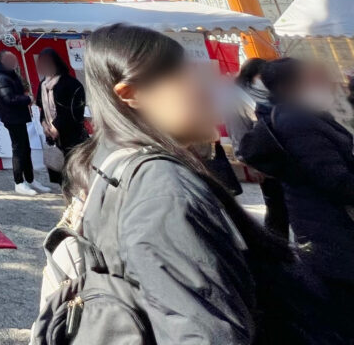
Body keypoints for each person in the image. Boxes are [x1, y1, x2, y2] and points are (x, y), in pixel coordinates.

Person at [48, 24, 336, 345]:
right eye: (186, 76)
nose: (207, 89)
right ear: (132, 94)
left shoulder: (107, 165)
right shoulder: (162, 189)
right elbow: (203, 332)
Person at [250, 57, 354, 329]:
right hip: (328, 230)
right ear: (288, 87)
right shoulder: (295, 121)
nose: (326, 83)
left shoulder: (309, 114)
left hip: (330, 226)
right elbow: (335, 180)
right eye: (314, 79)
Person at [225, 58, 288, 237]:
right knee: (277, 209)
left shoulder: (273, 95)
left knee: (289, 207)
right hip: (266, 162)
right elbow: (238, 133)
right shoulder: (237, 99)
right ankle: (277, 245)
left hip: (285, 159)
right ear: (251, 76)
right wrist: (251, 164)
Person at [0, 50, 48, 194]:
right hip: (12, 118)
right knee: (19, 149)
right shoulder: (1, 77)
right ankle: (19, 182)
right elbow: (8, 98)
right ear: (2, 61)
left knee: (26, 149)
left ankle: (30, 179)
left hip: (19, 116)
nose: (14, 61)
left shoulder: (10, 74)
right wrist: (28, 99)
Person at [35, 48, 86, 187]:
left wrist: (56, 126)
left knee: (75, 170)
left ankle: (78, 195)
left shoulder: (70, 83)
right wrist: (44, 124)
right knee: (60, 172)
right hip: (53, 137)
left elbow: (74, 110)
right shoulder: (43, 85)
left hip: (71, 135)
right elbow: (42, 108)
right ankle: (67, 194)